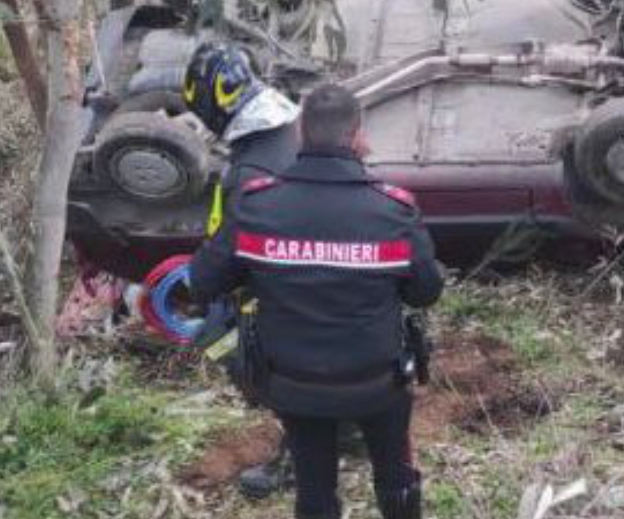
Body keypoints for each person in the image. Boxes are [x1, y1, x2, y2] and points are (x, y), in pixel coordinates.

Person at [189, 83, 444, 519]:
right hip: (377, 385)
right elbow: (426, 291)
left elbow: (203, 282)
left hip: (293, 385)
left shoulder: (257, 205)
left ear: (300, 133)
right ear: (358, 135)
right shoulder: (392, 211)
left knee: (314, 491)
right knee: (396, 478)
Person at [182, 40, 302, 498]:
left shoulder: (251, 172)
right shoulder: (292, 130)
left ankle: (304, 434)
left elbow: (213, 273)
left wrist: (197, 279)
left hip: (297, 308)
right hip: (346, 286)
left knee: (215, 333)